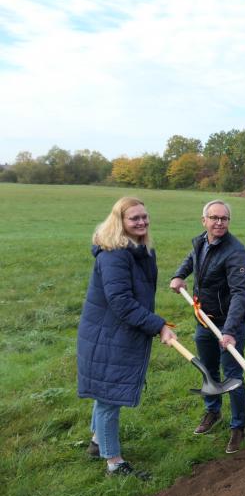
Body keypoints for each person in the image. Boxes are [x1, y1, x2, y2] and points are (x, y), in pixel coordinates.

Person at [77, 197, 176, 478]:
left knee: (105, 392)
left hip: (116, 331)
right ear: (119, 221)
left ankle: (97, 442)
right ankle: (114, 463)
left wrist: (153, 324)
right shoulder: (114, 254)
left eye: (144, 217)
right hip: (108, 335)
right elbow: (121, 302)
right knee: (109, 398)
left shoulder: (139, 249)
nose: (142, 222)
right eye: (134, 219)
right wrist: (158, 326)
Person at [170, 200, 245, 453]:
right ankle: (212, 412)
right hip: (204, 319)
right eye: (214, 218)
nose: (219, 223)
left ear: (228, 222)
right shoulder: (200, 241)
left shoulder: (236, 252)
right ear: (203, 220)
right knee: (208, 370)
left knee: (233, 377)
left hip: (229, 324)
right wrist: (179, 275)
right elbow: (192, 258)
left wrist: (229, 330)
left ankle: (238, 427)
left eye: (224, 219)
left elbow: (239, 294)